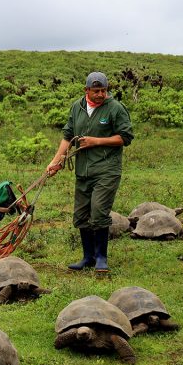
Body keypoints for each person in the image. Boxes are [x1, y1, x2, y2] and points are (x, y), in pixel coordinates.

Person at [46, 72, 134, 274]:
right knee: (81, 214)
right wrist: (57, 160)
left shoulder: (115, 109)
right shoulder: (77, 107)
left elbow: (126, 137)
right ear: (86, 91)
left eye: (104, 90)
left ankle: (102, 258)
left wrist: (96, 141)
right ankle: (88, 257)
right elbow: (68, 135)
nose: (101, 94)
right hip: (83, 170)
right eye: (96, 91)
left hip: (106, 169)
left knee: (99, 211)